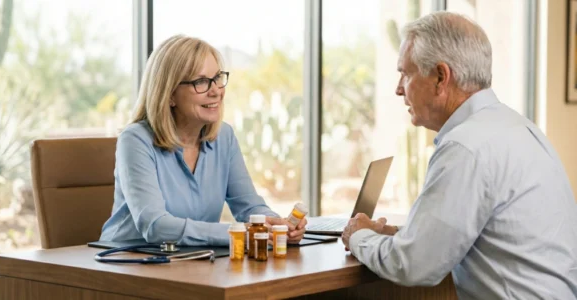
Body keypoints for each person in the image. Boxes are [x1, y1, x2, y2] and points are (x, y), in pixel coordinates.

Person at [342, 11, 577, 299]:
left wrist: (358, 236)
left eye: (406, 72)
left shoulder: (466, 146)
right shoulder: (521, 129)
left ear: (441, 76)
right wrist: (404, 234)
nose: (398, 88)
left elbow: (414, 265)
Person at [100, 35, 306, 246]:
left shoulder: (224, 136)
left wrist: (276, 227)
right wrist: (239, 234)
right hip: (125, 262)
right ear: (169, 94)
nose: (216, 91)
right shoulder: (135, 140)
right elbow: (156, 226)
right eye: (200, 82)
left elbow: (250, 208)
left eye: (217, 78)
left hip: (192, 260)